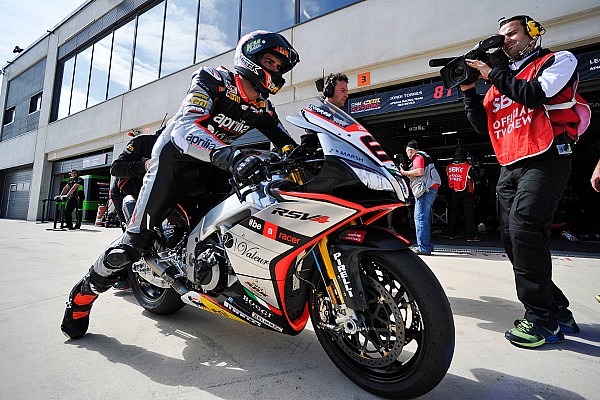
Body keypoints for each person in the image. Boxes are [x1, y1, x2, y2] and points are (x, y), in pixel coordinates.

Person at [61, 30, 300, 339]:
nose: (274, 70)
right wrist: (231, 156)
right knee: (132, 246)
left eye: (280, 66)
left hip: (212, 170)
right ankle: (81, 297)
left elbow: (287, 146)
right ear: (249, 58)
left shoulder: (263, 108)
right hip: (174, 164)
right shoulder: (214, 79)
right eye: (269, 61)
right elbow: (184, 128)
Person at [460, 15, 590, 348]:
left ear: (533, 34)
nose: (506, 41)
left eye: (513, 34)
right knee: (513, 242)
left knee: (524, 230)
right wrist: (468, 91)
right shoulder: (500, 80)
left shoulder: (557, 61)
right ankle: (558, 310)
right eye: (502, 37)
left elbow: (535, 95)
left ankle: (541, 321)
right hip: (511, 166)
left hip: (547, 157)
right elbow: (481, 124)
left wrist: (493, 74)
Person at [108, 130, 161, 289]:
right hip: (126, 193)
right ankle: (122, 275)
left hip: (152, 195)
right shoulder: (143, 142)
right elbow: (116, 168)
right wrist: (144, 165)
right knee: (131, 234)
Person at [399, 140, 441, 255]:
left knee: (420, 218)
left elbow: (420, 171)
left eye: (407, 151)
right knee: (424, 218)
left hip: (425, 190)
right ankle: (427, 245)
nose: (407, 155)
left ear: (411, 150)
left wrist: (404, 173)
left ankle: (423, 248)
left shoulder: (418, 156)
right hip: (431, 188)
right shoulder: (425, 156)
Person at [446, 148, 479, 241]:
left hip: (454, 191)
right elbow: (476, 176)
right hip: (466, 191)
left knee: (454, 213)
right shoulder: (467, 166)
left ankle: (452, 234)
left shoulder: (449, 167)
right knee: (468, 214)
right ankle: (471, 236)